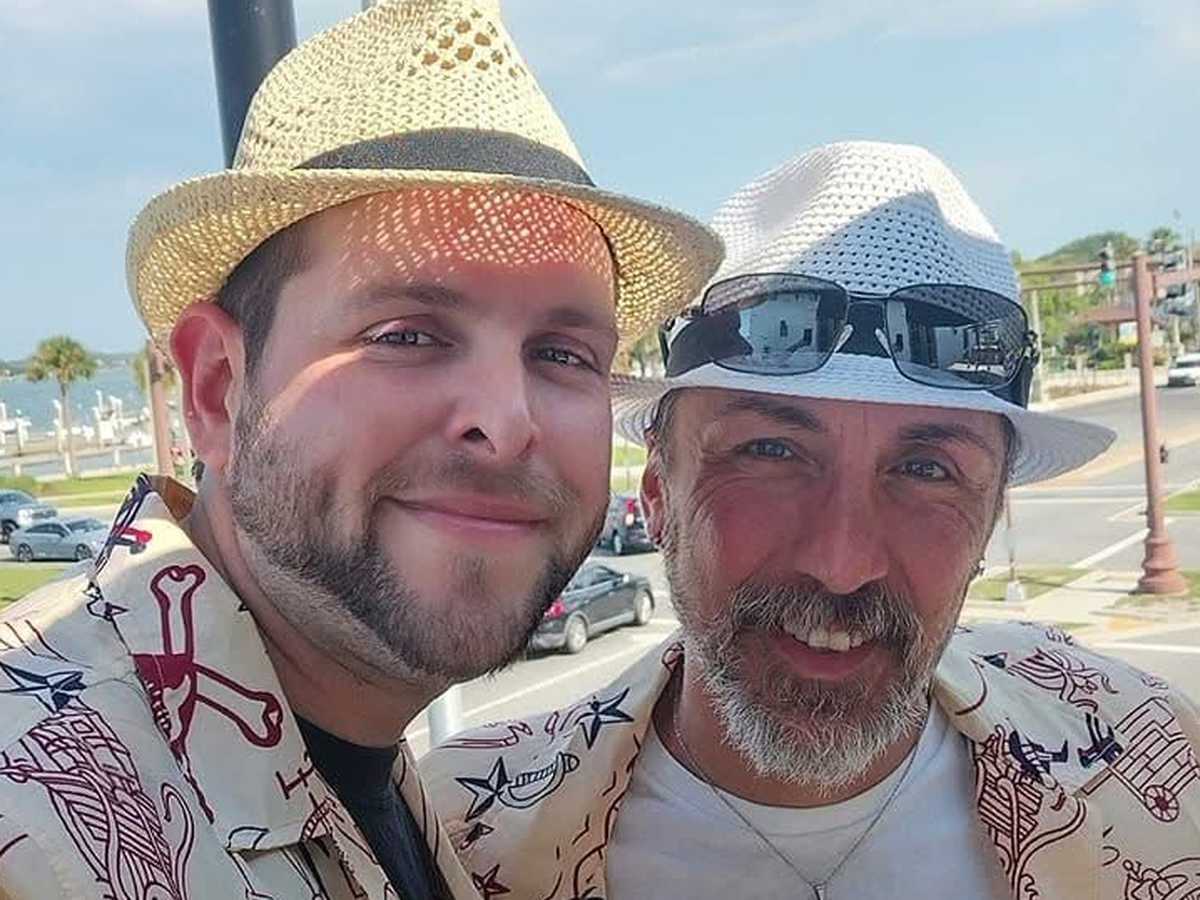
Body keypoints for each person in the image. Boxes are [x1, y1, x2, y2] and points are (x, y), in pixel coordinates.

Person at [0, 1, 720, 898]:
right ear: (217, 388)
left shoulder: (372, 780)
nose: (507, 423)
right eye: (406, 335)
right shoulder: (35, 819)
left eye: (563, 354)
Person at [421, 142, 1200, 900]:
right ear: (657, 489)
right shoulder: (453, 840)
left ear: (989, 516)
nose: (842, 562)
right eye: (770, 451)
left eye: (926, 470)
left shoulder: (1154, 754)